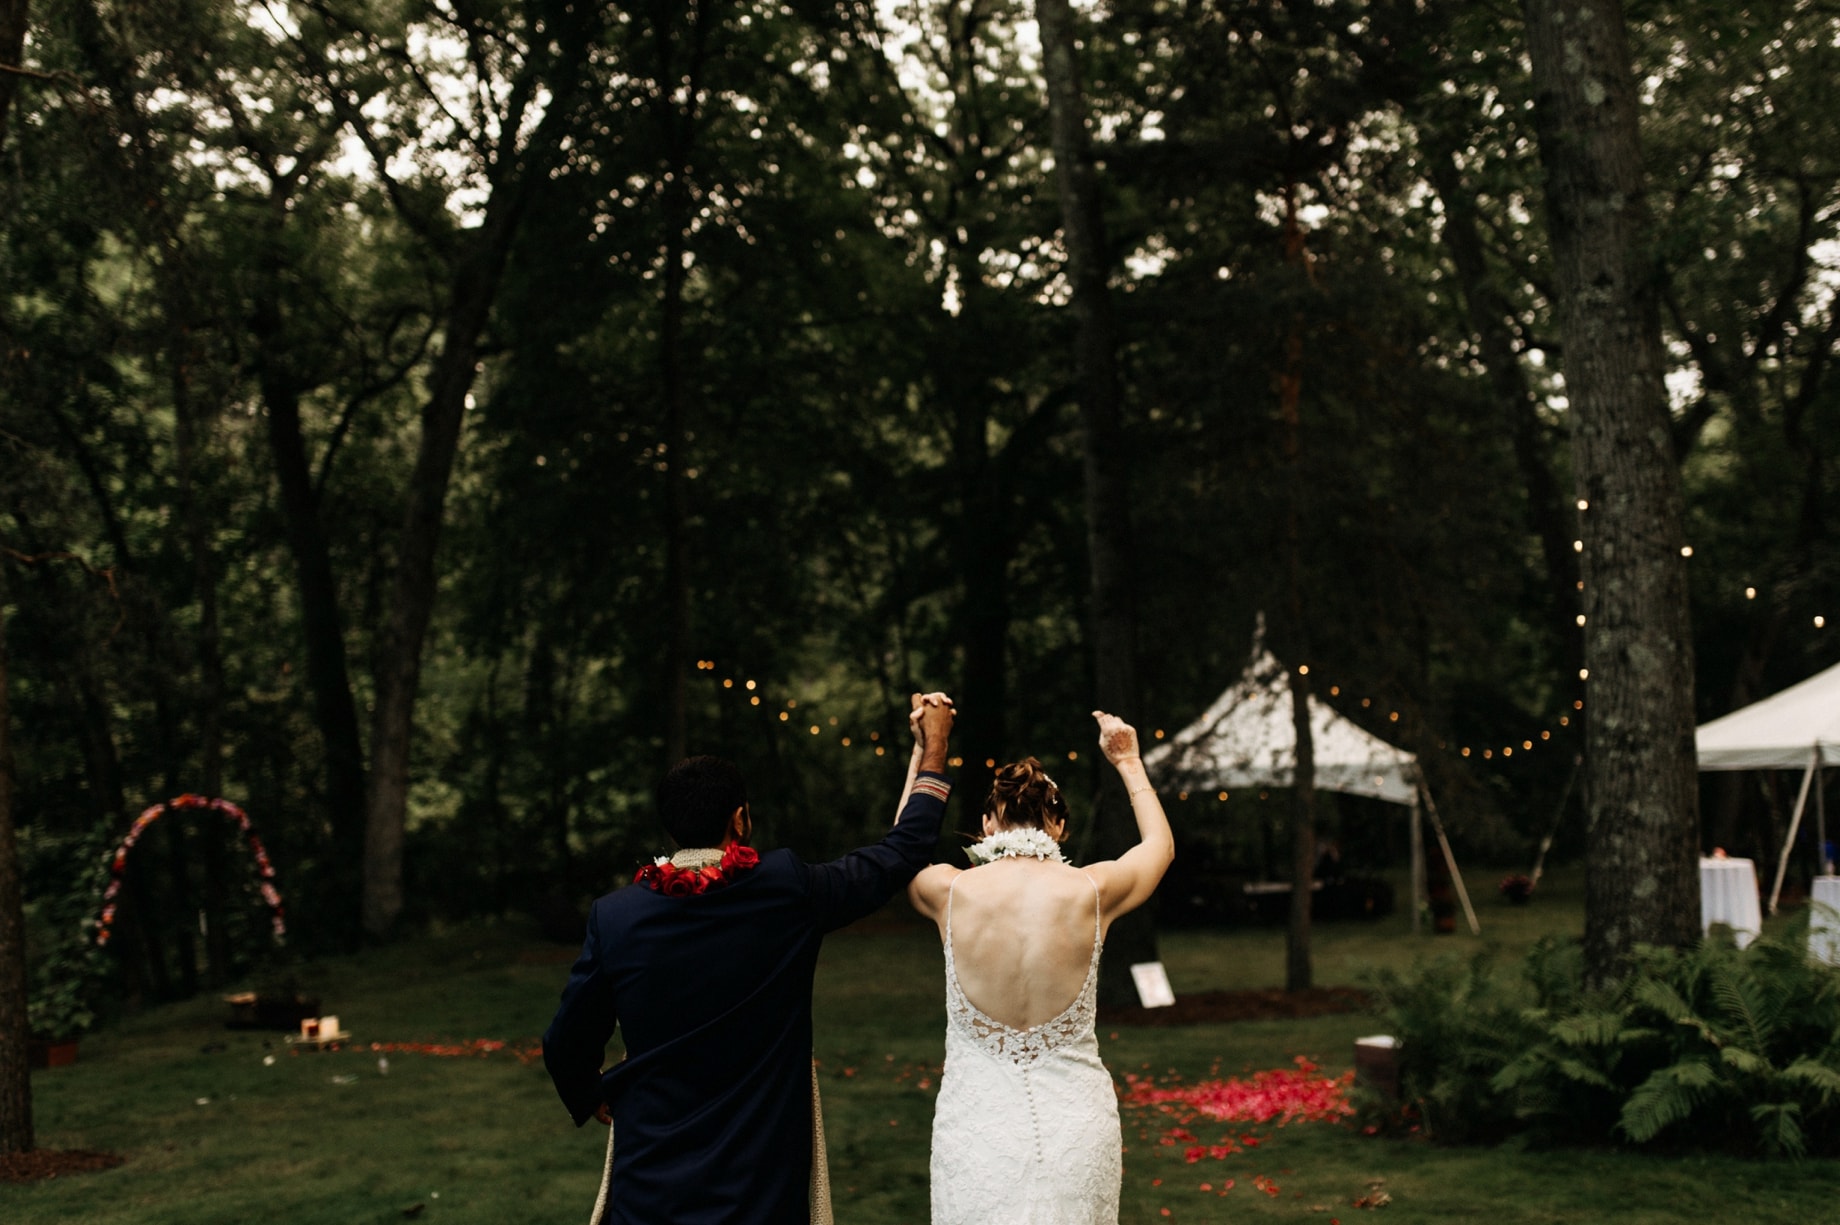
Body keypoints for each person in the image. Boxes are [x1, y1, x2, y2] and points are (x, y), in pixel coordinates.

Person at [542, 693, 957, 1225]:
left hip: (650, 1190)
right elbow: (900, 852)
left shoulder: (615, 917)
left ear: (670, 829)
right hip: (759, 1190)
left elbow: (565, 1041)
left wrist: (589, 1093)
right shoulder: (786, 891)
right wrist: (936, 746)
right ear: (740, 820)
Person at [907, 710, 1174, 1225]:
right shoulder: (1093, 891)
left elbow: (900, 851)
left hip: (978, 1129)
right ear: (1059, 827)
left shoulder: (948, 890)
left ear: (987, 825)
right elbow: (1159, 848)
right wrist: (1128, 761)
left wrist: (924, 752)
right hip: (1077, 1127)